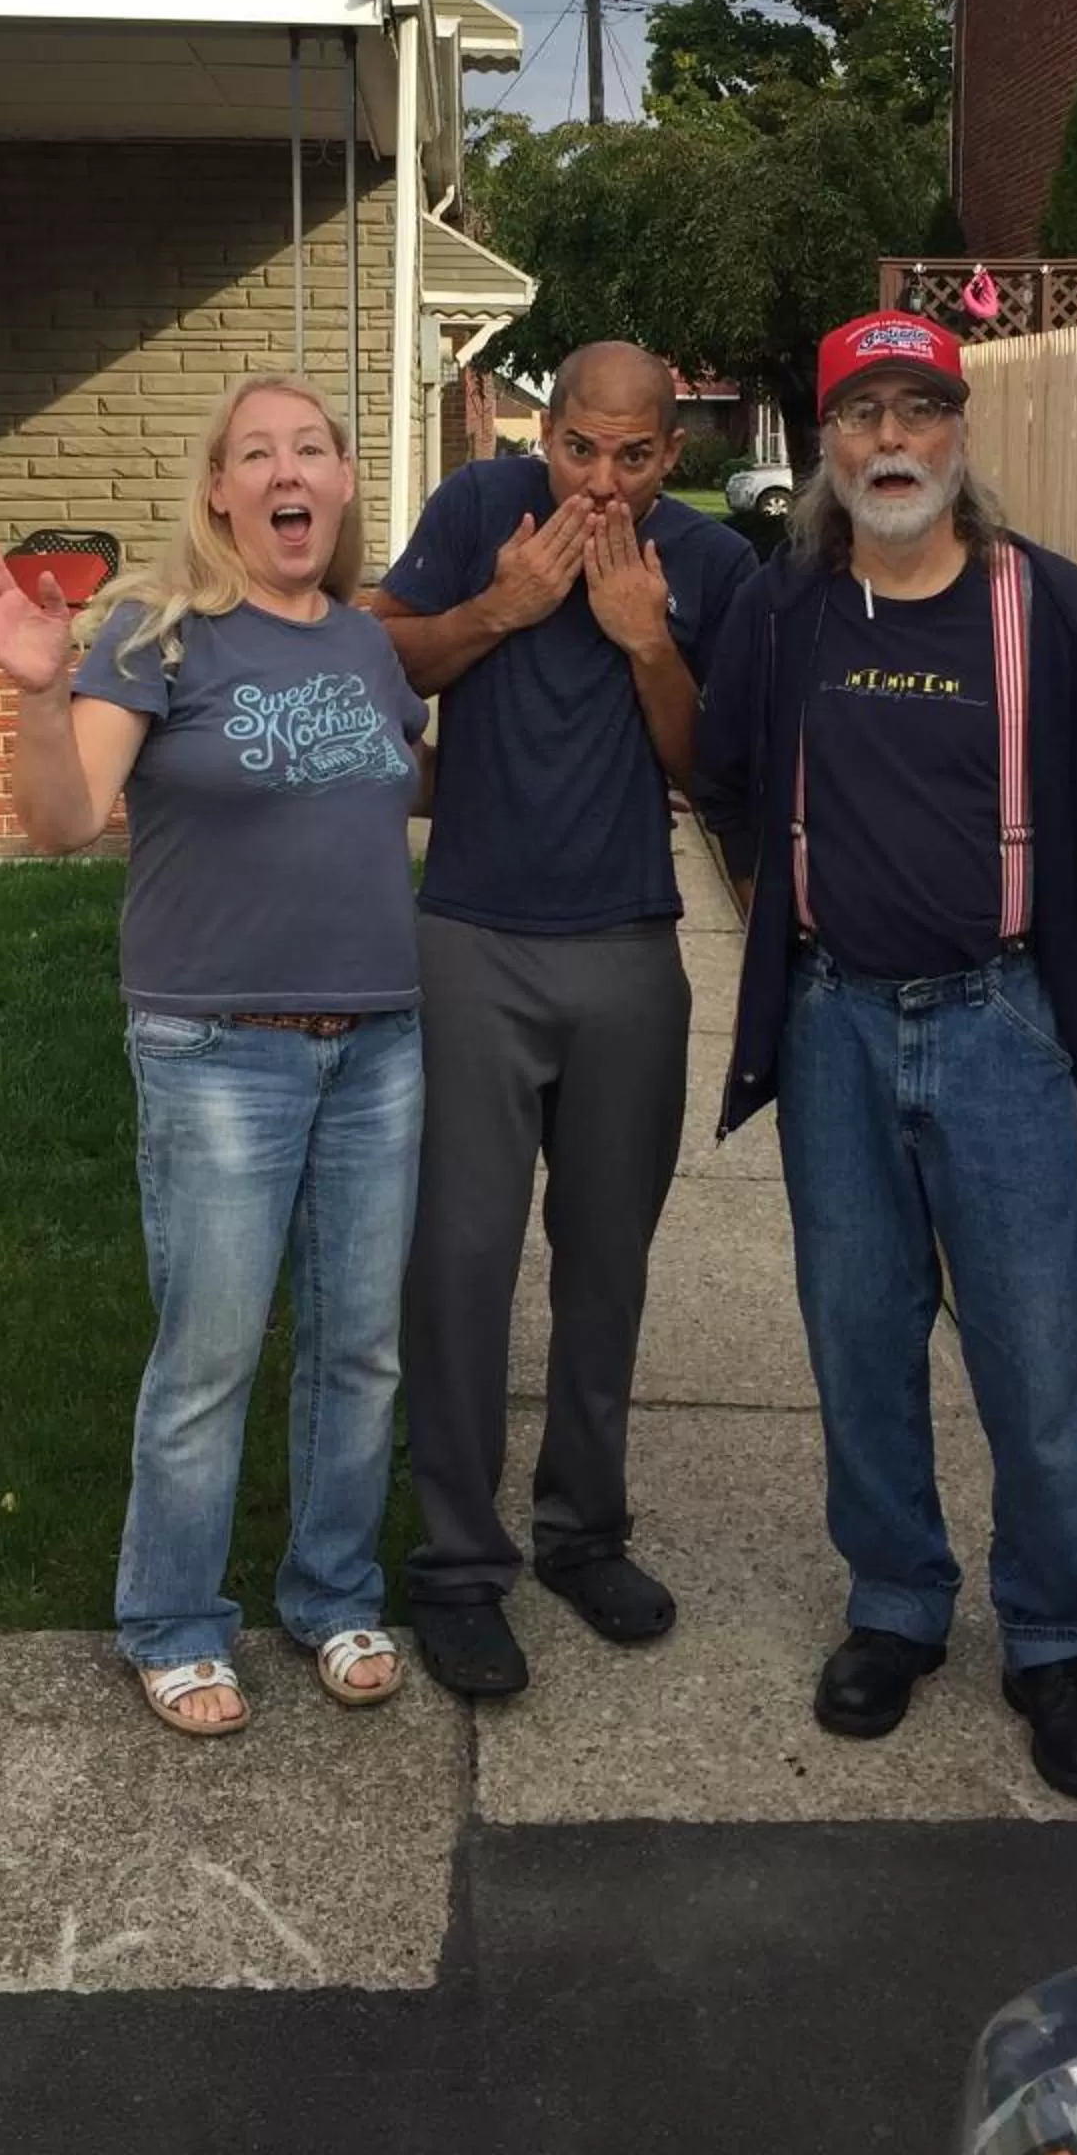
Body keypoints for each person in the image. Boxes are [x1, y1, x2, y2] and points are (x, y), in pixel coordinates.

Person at [694, 309, 1077, 1799]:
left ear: (960, 432)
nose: (890, 443)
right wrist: (796, 907)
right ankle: (897, 1607)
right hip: (834, 1026)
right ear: (825, 444)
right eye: (862, 417)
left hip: (999, 1024)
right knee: (858, 1338)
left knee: (1041, 1354)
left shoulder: (1054, 613)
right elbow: (724, 776)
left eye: (919, 412)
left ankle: (1053, 1637)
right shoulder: (782, 613)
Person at [0, 375, 429, 1739]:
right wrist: (40, 694)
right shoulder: (157, 634)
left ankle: (332, 1596)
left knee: (360, 1350)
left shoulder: (366, 648)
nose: (288, 472)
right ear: (217, 492)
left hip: (378, 1039)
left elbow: (386, 800)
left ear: (338, 484)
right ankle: (171, 1619)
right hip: (220, 1050)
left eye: (311, 449)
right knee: (209, 1351)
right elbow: (65, 816)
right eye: (255, 453)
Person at [371, 343, 758, 1699]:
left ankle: (584, 1533)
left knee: (606, 1260)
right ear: (549, 437)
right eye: (579, 449)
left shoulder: (708, 569)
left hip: (626, 951)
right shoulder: (481, 510)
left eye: (634, 455)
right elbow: (382, 658)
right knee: (460, 1260)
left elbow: (717, 771)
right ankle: (459, 1569)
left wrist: (648, 643)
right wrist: (501, 608)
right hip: (469, 936)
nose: (600, 479)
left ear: (672, 455)